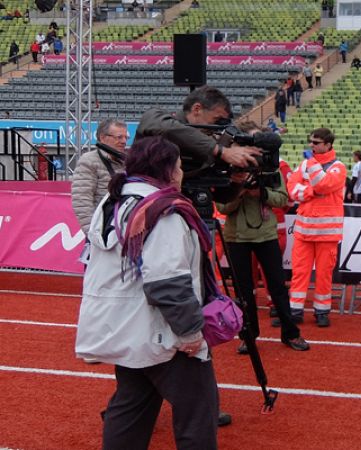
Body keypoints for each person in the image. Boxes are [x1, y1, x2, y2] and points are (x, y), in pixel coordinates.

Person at [74, 136, 218, 449]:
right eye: (179, 166)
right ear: (169, 170)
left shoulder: (113, 201)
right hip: (162, 332)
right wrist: (190, 332)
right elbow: (168, 280)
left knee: (131, 407)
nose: (182, 173)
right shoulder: (163, 211)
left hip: (126, 325)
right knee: (197, 413)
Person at [215, 122, 309, 353]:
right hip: (237, 237)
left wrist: (261, 192)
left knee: (278, 287)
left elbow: (283, 200)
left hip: (266, 235)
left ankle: (291, 333)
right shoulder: (227, 169)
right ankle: (248, 336)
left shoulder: (270, 167)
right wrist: (240, 189)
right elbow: (222, 207)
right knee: (243, 291)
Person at [287, 128, 346, 327]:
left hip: (327, 234)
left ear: (328, 145)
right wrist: (311, 192)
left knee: (323, 275)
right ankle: (295, 310)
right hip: (304, 231)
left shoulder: (338, 167)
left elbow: (324, 185)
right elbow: (292, 190)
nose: (311, 145)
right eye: (311, 141)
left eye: (316, 142)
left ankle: (322, 311)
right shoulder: (305, 164)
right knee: (299, 273)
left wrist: (312, 167)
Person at [136, 85, 262, 173]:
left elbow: (222, 197)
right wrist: (222, 151)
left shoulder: (206, 145)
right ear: (197, 109)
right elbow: (165, 128)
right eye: (216, 119)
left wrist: (236, 179)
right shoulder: (155, 116)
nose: (216, 127)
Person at [71, 119, 129, 236]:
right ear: (103, 137)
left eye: (125, 137)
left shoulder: (127, 161)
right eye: (119, 137)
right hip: (102, 230)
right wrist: (93, 233)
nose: (123, 141)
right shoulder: (89, 161)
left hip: (122, 229)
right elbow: (82, 201)